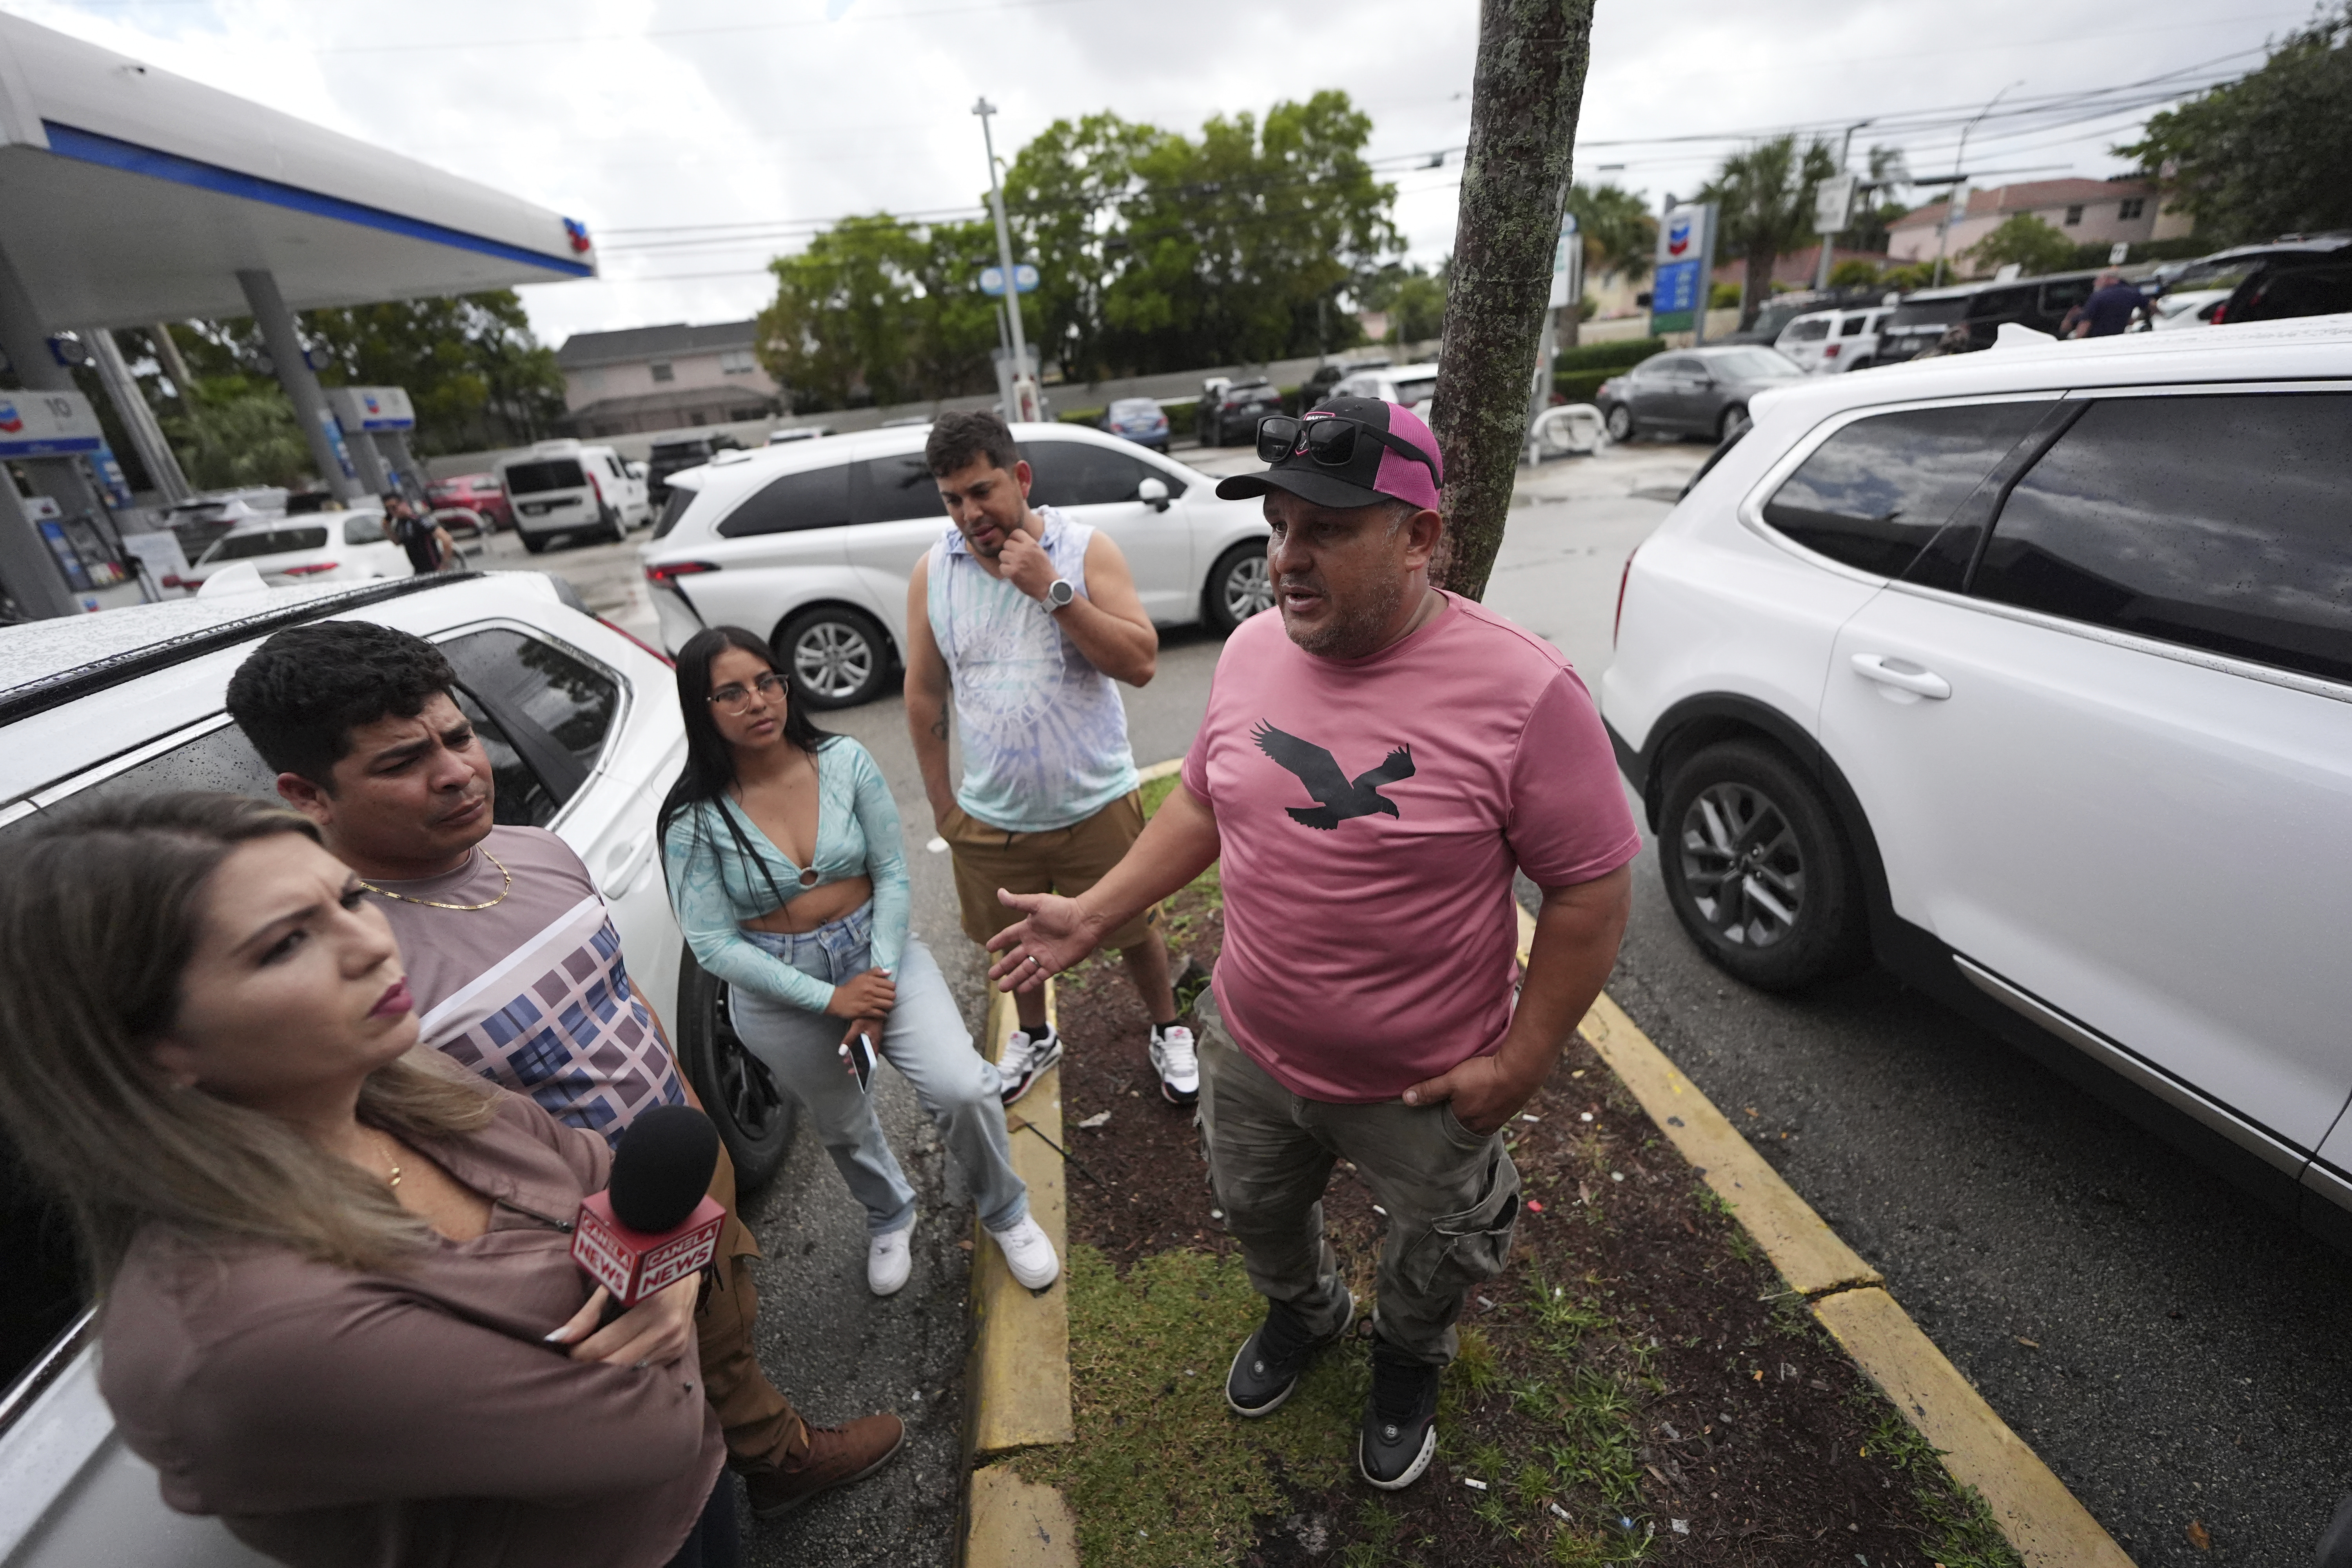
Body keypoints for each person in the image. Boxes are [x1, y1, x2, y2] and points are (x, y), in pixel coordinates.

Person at [985, 397, 1640, 1491]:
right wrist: (1095, 913)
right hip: (1249, 1049)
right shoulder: (1249, 651)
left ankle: (1406, 1355)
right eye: (1281, 524)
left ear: (1421, 538)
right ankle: (1309, 1312)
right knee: (1257, 1210)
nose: (1288, 557)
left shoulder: (1528, 691)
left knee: (1436, 1248)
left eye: (1326, 530)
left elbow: (1589, 892)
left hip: (1423, 1083)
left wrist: (1522, 1061)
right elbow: (1204, 802)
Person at [224, 622, 903, 1520]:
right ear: (308, 792)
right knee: (655, 1429)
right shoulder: (350, 959)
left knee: (725, 1332)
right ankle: (744, 1481)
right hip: (568, 1252)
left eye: (459, 736)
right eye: (400, 762)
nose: (460, 772)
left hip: (683, 1166)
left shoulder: (537, 853)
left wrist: (697, 1124)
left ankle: (766, 1448)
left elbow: (624, 1001)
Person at [0, 792, 730, 1567]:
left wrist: (668, 1276)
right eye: (285, 944)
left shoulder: (399, 1078)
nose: (373, 945)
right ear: (148, 1048)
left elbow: (602, 1170)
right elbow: (650, 1432)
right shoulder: (247, 1329)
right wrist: (667, 1282)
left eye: (349, 895)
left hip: (687, 1500)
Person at [659, 626, 1059, 1298]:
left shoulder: (843, 760)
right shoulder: (693, 819)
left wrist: (872, 985)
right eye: (730, 693)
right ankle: (888, 1211)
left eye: (766, 682)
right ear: (702, 709)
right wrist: (830, 1002)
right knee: (842, 1120)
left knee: (965, 1087)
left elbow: (894, 875)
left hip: (879, 950)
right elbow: (713, 945)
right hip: (778, 988)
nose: (757, 702)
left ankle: (1007, 1210)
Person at [903, 410, 1195, 1109]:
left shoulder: (1084, 549)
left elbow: (1142, 663)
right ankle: (1035, 1037)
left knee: (1134, 930)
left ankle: (1168, 1024)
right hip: (992, 817)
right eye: (952, 498)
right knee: (1013, 944)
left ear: (1021, 478)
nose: (970, 513)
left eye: (983, 491)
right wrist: (944, 805)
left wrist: (1052, 590)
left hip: (1093, 801)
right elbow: (924, 692)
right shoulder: (933, 572)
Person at [2063, 270, 2154, 338]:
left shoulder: (2098, 297)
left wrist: (2078, 341)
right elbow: (2152, 307)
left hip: (2097, 340)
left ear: (2109, 279)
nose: (2095, 282)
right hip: (2118, 338)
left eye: (2099, 279)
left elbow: (2086, 323)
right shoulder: (2132, 293)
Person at [386, 492, 457, 575]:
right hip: (419, 571)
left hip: (434, 569)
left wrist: (445, 564)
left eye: (394, 507)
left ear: (403, 504)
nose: (392, 512)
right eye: (388, 509)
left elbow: (446, 539)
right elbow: (397, 542)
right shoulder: (400, 524)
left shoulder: (418, 520)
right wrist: (387, 528)